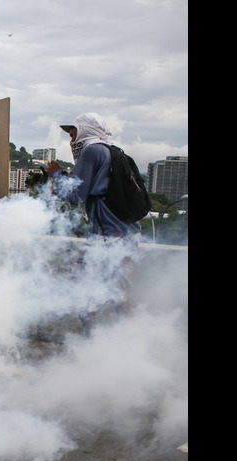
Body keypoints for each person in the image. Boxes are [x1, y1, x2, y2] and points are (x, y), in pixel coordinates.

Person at [46, 112, 141, 331]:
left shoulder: (91, 151)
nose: (72, 141)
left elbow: (75, 194)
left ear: (85, 130)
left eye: (73, 134)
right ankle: (133, 342)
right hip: (127, 234)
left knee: (80, 291)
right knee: (119, 295)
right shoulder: (113, 152)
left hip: (106, 236)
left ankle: (95, 343)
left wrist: (57, 174)